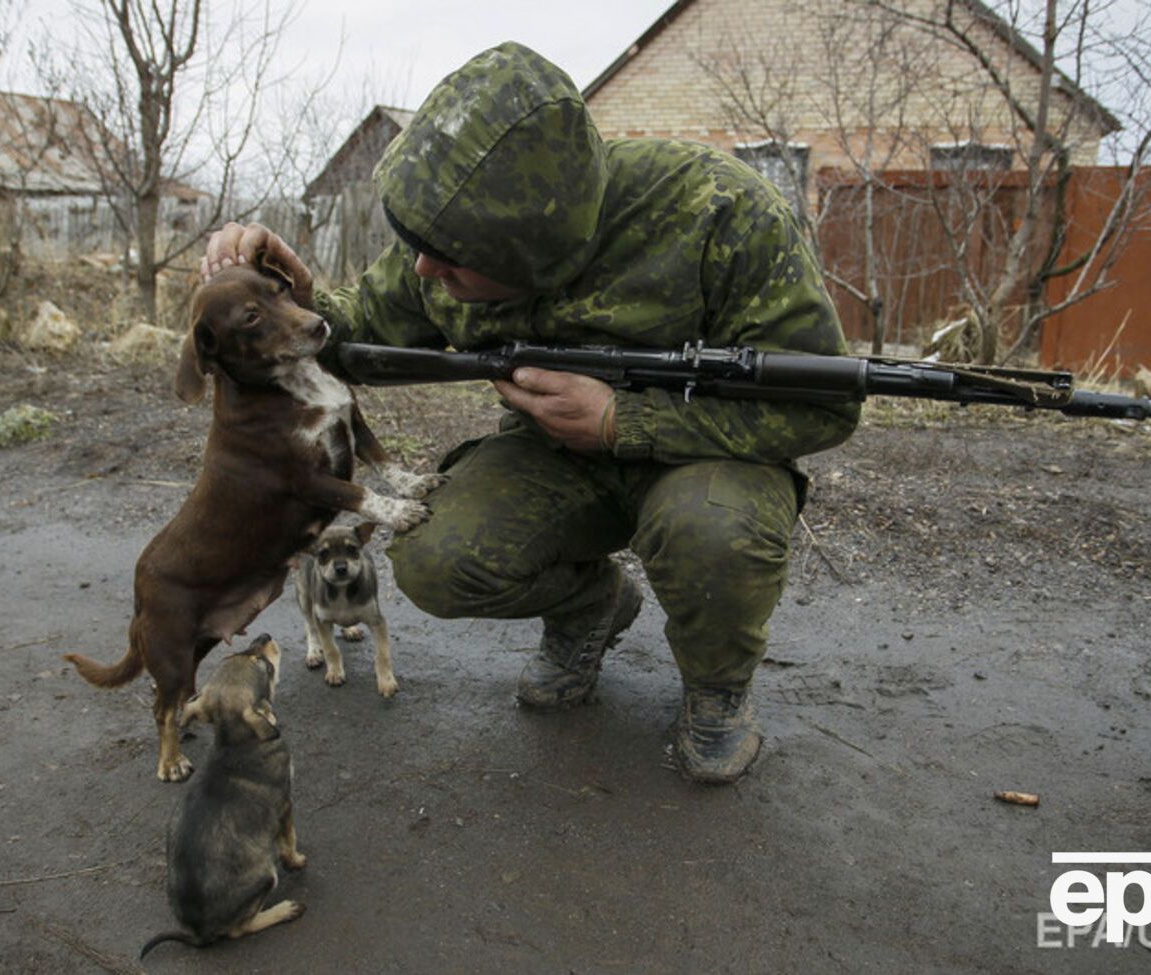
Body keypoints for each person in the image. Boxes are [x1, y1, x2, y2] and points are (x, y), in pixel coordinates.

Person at [202, 42, 859, 783]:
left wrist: (622, 422)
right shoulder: (456, 240)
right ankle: (591, 606)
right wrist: (293, 299)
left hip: (710, 457)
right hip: (557, 458)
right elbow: (363, 335)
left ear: (533, 250)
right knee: (436, 555)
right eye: (420, 246)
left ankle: (717, 686)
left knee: (712, 532)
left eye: (449, 256)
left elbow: (824, 407)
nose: (424, 268)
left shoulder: (718, 211)